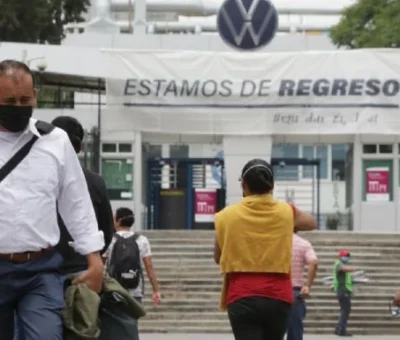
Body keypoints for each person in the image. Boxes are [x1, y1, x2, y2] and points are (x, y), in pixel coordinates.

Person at [0, 59, 104, 340]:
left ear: (35, 96)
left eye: (25, 99)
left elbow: (76, 202)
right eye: (10, 100)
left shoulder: (55, 141)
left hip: (40, 270)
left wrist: (94, 259)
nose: (18, 106)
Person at [213, 158, 317, 340]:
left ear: (244, 185)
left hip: (241, 296)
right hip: (278, 296)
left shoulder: (225, 216)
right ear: (272, 186)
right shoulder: (286, 212)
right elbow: (311, 223)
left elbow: (218, 257)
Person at [51, 115, 114, 275]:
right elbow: (107, 230)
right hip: (82, 267)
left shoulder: (36, 178)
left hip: (41, 269)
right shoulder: (94, 182)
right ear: (79, 147)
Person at [103, 207, 161, 340]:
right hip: (135, 290)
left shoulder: (109, 240)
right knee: (132, 324)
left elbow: (100, 265)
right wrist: (156, 290)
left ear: (117, 221)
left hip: (114, 289)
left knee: (113, 325)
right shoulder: (142, 240)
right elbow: (149, 267)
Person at [287, 229, 318, 340]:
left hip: (273, 292)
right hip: (294, 292)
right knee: (295, 332)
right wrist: (307, 286)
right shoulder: (303, 243)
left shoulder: (274, 241)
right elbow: (313, 263)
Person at [333, 249, 355, 337]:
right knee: (346, 310)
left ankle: (338, 329)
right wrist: (352, 269)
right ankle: (342, 330)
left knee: (344, 310)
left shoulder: (341, 264)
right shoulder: (338, 264)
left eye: (348, 256)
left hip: (344, 290)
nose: (347, 258)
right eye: (345, 256)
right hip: (343, 291)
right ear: (341, 256)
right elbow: (343, 269)